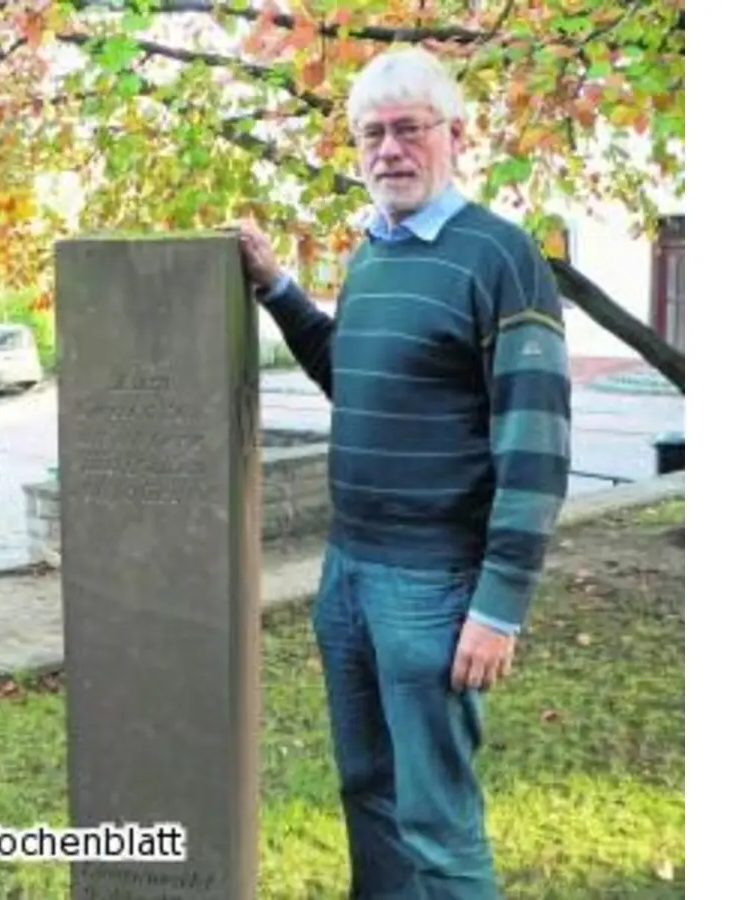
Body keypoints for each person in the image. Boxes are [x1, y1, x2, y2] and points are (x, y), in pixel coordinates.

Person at [234, 47, 572, 899]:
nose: (389, 149)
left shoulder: (500, 257)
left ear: (455, 135)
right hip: (347, 574)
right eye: (371, 134)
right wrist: (277, 286)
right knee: (367, 794)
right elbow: (350, 374)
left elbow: (535, 450)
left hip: (434, 585)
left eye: (408, 129)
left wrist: (498, 609)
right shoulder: (372, 255)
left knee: (437, 823)